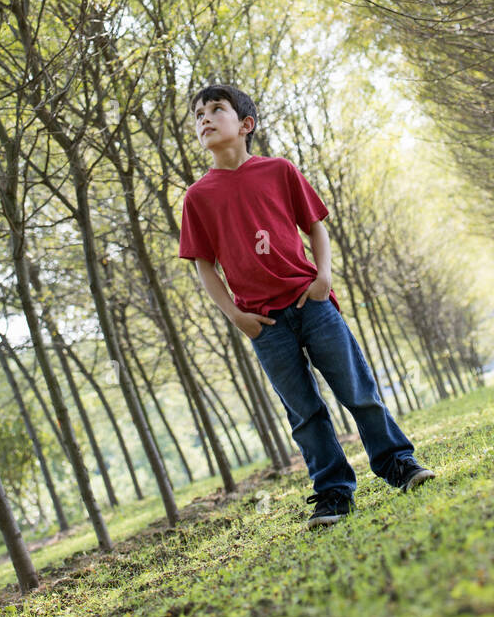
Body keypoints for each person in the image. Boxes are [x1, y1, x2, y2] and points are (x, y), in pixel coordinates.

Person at [179, 82, 436, 527]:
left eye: (215, 109)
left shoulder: (279, 171)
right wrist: (237, 317)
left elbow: (315, 225)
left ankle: (398, 463)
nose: (203, 118)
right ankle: (334, 494)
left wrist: (323, 279)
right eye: (197, 113)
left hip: (311, 303)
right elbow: (204, 266)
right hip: (264, 323)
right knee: (304, 414)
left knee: (357, 390)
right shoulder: (198, 197)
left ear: (245, 124)